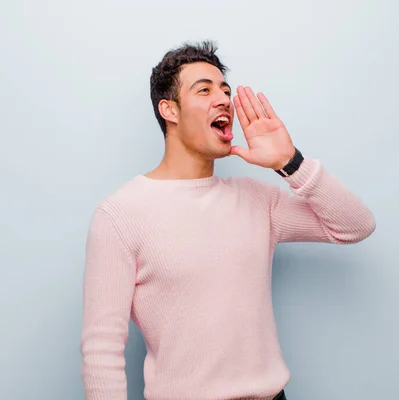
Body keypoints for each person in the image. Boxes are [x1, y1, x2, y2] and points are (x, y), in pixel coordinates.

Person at [80, 40, 376, 400]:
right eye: (203, 90)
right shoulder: (120, 215)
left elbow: (355, 226)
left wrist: (290, 161)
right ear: (169, 110)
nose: (223, 100)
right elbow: (102, 347)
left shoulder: (256, 199)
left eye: (225, 90)